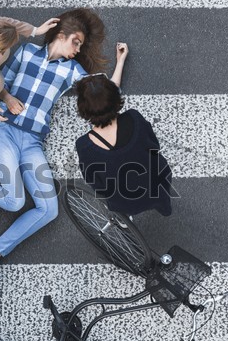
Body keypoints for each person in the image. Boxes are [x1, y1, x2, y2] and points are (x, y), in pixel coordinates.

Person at [0, 8, 107, 289]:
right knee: (14, 200)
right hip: (3, 128)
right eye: (75, 41)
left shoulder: (72, 70)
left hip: (33, 142)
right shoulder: (26, 52)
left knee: (48, 209)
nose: (78, 49)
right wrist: (8, 97)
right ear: (61, 34)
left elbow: (106, 91)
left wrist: (120, 61)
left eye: (81, 46)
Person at [74, 43, 175, 217]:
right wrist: (120, 61)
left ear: (84, 110)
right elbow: (154, 146)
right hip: (157, 186)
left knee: (117, 203)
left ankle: (123, 221)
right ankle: (165, 208)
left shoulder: (84, 145)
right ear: (116, 99)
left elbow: (96, 183)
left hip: (124, 202)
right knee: (159, 191)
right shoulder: (133, 118)